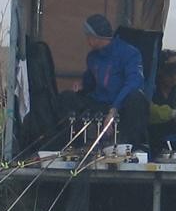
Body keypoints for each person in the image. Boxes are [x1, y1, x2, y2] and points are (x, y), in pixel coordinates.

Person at [58, 14, 149, 147]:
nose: (87, 39)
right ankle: (76, 145)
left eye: (88, 36)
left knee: (136, 98)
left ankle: (133, 146)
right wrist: (82, 84)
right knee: (66, 97)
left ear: (96, 36)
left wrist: (114, 109)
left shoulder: (129, 53)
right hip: (99, 103)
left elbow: (134, 82)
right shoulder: (92, 57)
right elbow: (91, 82)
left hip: (120, 105)